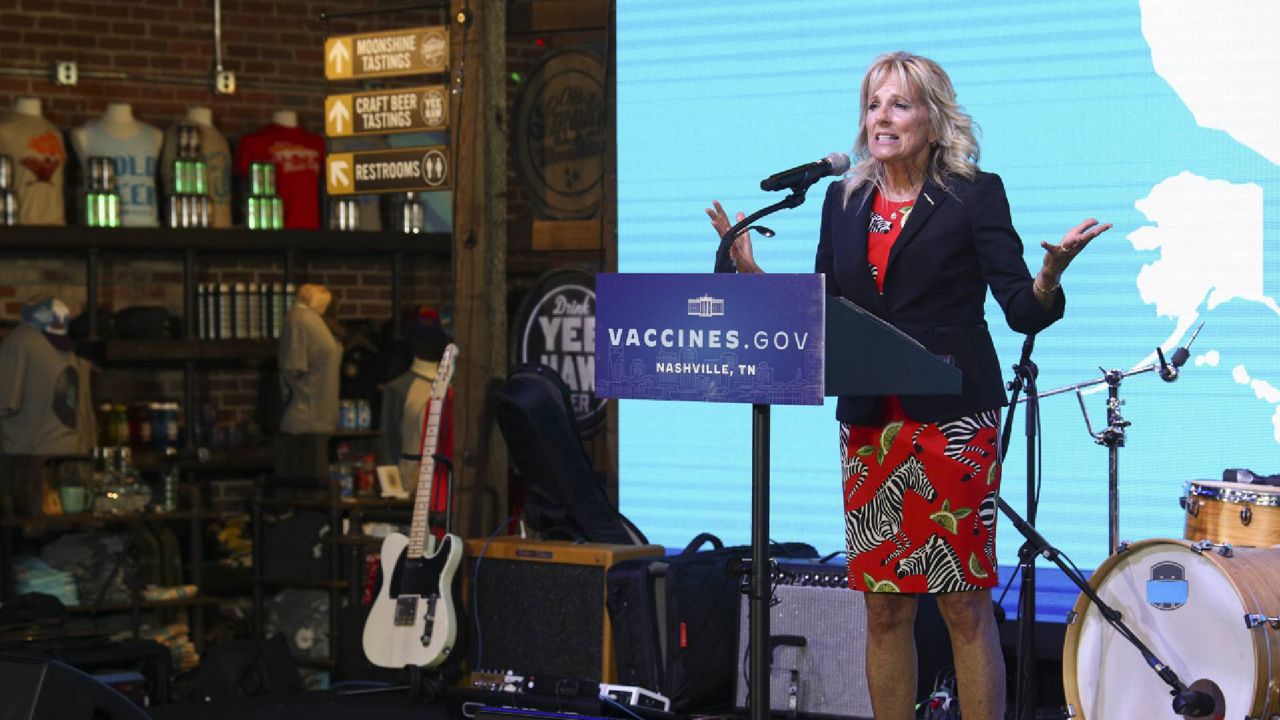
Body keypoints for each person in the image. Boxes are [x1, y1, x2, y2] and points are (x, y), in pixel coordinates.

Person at [707, 51, 1111, 720]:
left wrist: (1051, 274)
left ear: (933, 116)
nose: (882, 119)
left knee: (963, 604)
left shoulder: (974, 193)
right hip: (872, 425)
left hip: (953, 422)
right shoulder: (842, 198)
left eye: (899, 104)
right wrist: (755, 279)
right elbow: (825, 307)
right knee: (885, 606)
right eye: (873, 105)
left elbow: (1021, 310)